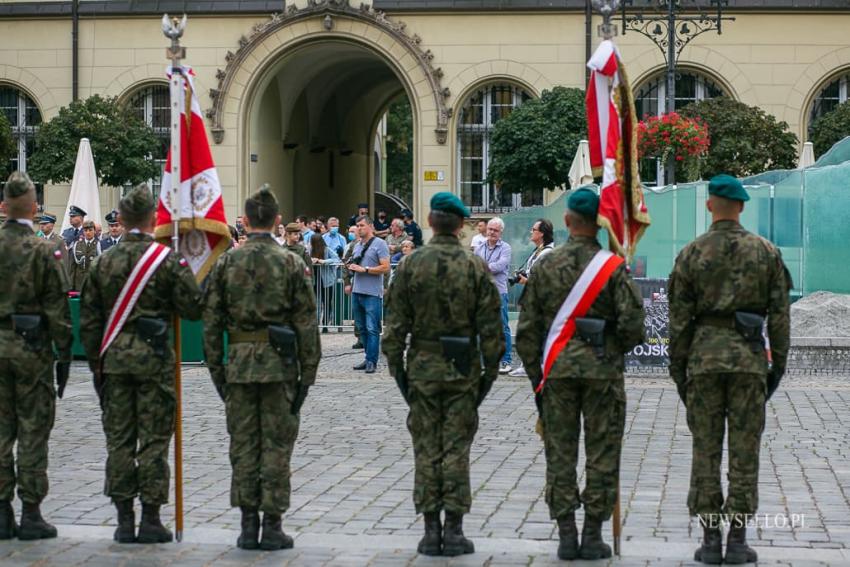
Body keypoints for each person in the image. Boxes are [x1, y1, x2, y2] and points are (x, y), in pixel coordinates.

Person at [515, 188, 645, 561]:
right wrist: (607, 350)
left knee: (560, 452)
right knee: (603, 452)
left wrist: (536, 378)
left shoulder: (546, 267)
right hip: (602, 374)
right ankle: (592, 534)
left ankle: (567, 534)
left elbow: (527, 333)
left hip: (557, 374)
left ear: (569, 222)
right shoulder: (613, 267)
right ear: (599, 223)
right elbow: (635, 326)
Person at [668, 174, 791, 565]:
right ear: (741, 206)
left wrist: (679, 372)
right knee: (744, 451)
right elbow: (781, 320)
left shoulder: (691, 254)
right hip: (749, 363)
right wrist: (776, 368)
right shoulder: (765, 252)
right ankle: (737, 540)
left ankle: (709, 539)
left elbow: (678, 323)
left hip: (703, 363)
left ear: (709, 206)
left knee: (705, 450)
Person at [79, 184, 202, 544]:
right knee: (153, 441)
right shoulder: (165, 259)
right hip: (155, 364)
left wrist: (95, 365)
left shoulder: (104, 261)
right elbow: (194, 307)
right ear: (152, 219)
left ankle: (122, 519)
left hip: (114, 365)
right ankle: (150, 518)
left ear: (122, 219)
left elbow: (88, 321)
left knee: (119, 441)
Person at [383, 192, 504, 557]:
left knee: (425, 448)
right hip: (462, 369)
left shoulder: (410, 265)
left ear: (432, 224)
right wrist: (486, 376)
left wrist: (401, 375)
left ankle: (429, 528)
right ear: (461, 226)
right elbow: (492, 332)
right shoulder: (474, 267)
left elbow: (394, 329)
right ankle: (453, 529)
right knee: (456, 449)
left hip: (422, 368)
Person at [203, 187, 320, 551]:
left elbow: (210, 323)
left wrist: (217, 371)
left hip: (238, 366)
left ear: (246, 221)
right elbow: (306, 323)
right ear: (277, 220)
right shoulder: (289, 262)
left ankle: (246, 523)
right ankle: (272, 524)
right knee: (276, 445)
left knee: (243, 445)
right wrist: (307, 376)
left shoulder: (227, 262)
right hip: (279, 367)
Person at [0, 171, 72, 541]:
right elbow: (57, 308)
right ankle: (30, 512)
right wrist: (64, 353)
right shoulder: (42, 250)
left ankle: (0, 512)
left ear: (4, 207)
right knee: (32, 431)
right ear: (33, 207)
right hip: (31, 350)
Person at [509, 218, 556, 377]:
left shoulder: (547, 253)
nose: (531, 232)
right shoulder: (538, 251)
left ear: (541, 233)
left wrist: (526, 281)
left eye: (533, 229)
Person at [346, 215, 390, 373]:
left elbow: (385, 268)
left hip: (372, 293)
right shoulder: (357, 245)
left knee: (372, 328)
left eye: (362, 225)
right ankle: (367, 357)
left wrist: (365, 270)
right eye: (357, 225)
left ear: (370, 227)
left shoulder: (380, 244)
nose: (359, 228)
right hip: (357, 291)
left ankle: (372, 361)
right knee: (361, 328)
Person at [474, 217, 513, 373]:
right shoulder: (479, 248)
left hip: (499, 292)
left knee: (502, 327)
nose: (492, 232)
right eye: (490, 229)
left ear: (501, 232)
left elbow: (499, 266)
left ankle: (506, 360)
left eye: (495, 230)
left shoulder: (506, 248)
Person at [310, 233, 341, 333]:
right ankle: (316, 324)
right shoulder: (310, 250)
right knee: (315, 303)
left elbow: (336, 259)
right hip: (314, 280)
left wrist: (323, 261)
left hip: (327, 281)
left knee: (327, 302)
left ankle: (325, 324)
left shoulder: (326, 249)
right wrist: (311, 260)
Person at [69, 220, 101, 291]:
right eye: (86, 230)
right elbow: (72, 267)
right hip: (79, 284)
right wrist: (71, 286)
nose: (88, 232)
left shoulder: (99, 244)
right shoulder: (77, 245)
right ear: (83, 232)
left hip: (93, 284)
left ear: (94, 231)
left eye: (90, 230)